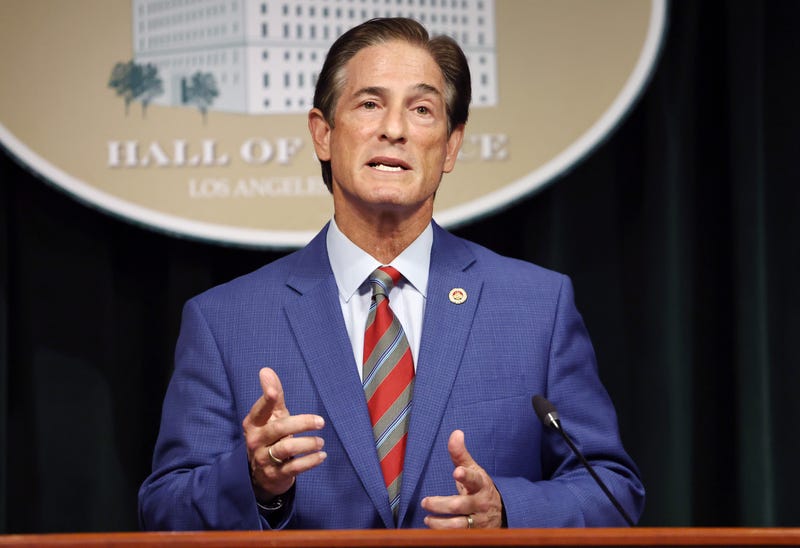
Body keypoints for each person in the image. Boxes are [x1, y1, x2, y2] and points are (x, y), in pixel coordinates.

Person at [138, 17, 645, 530]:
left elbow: (614, 492)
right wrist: (254, 480)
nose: (395, 129)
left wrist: (507, 511)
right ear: (323, 134)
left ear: (450, 147)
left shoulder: (537, 307)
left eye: (422, 109)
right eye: (369, 104)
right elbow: (164, 511)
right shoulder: (225, 321)